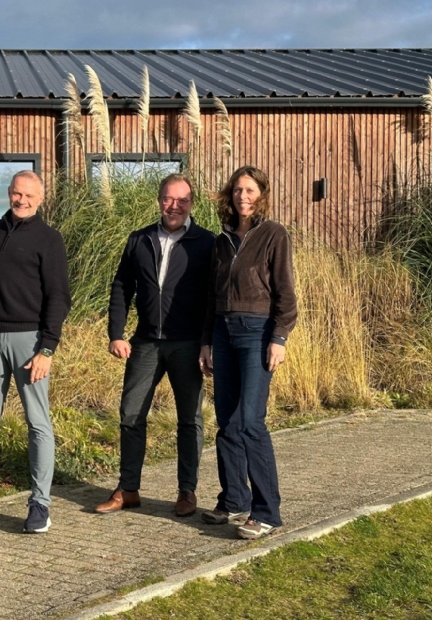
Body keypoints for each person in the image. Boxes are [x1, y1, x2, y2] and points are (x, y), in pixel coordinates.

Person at [0, 170, 71, 534]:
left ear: (40, 199)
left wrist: (47, 348)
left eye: (29, 196)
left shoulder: (49, 239)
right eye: (17, 193)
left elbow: (58, 297)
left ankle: (40, 504)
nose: (22, 200)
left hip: (30, 342)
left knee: (38, 422)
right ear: (9, 192)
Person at [95, 174, 215, 518]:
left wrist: (207, 342)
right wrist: (116, 334)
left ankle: (187, 491)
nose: (174, 206)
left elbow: (214, 298)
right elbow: (122, 287)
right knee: (131, 415)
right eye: (168, 199)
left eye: (182, 200)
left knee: (189, 419)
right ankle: (128, 489)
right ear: (159, 200)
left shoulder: (206, 242)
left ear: (191, 204)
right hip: (146, 342)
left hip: (187, 343)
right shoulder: (140, 239)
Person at [199, 165, 297, 540]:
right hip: (223, 333)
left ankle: (267, 511)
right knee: (227, 421)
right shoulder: (221, 240)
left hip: (257, 333)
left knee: (250, 421)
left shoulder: (274, 235)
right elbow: (212, 296)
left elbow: (286, 293)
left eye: (250, 190)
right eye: (238, 190)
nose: (243, 196)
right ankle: (234, 500)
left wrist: (279, 337)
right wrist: (206, 341)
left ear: (262, 194)